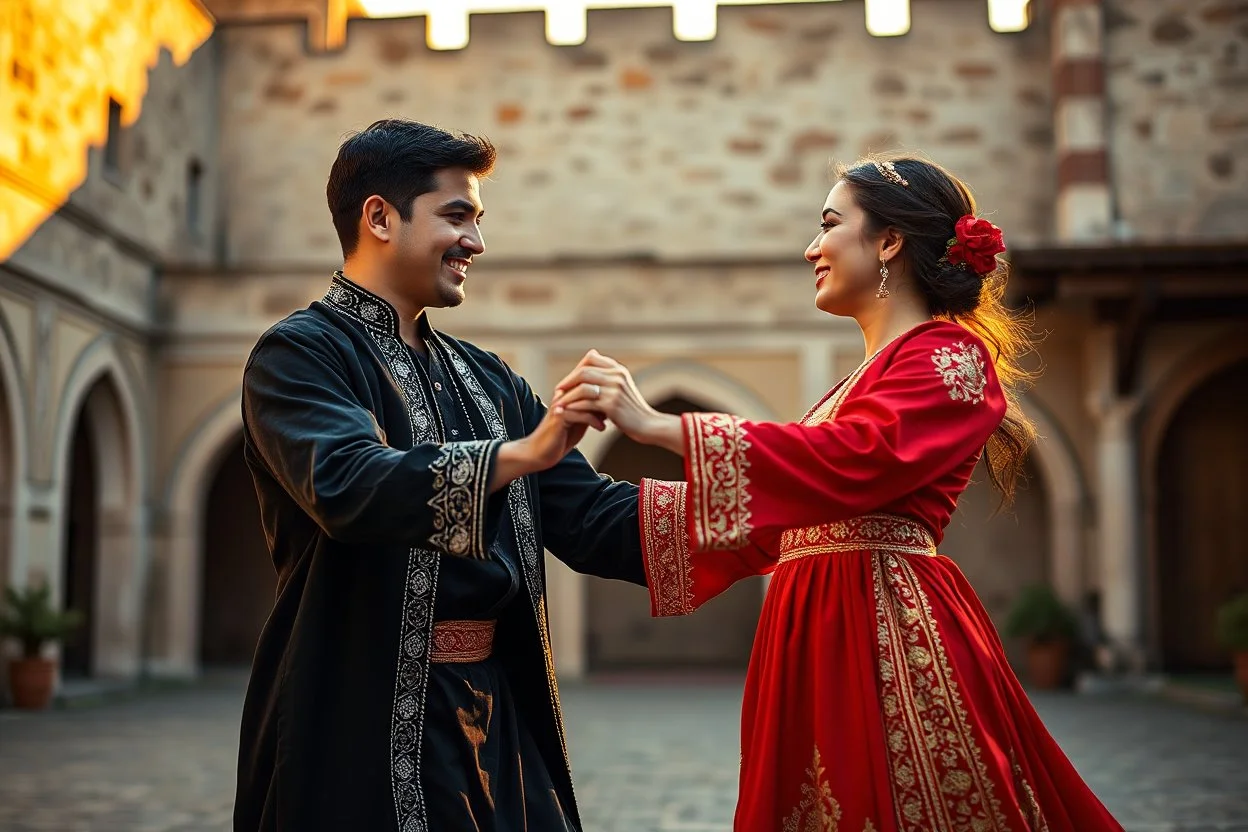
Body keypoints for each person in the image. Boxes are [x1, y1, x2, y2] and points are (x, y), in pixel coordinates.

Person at [553, 156, 1124, 831]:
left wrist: (658, 426)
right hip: (814, 625)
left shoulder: (951, 356)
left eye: (829, 224)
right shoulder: (857, 383)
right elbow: (779, 511)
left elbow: (859, 460)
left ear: (889, 242)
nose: (810, 247)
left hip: (885, 630)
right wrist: (537, 476)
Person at [233, 119, 643, 832]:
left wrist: (778, 507)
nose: (477, 243)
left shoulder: (488, 380)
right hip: (354, 726)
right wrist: (520, 453)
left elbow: (595, 520)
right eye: (457, 216)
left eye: (478, 221)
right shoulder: (298, 356)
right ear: (380, 217)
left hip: (498, 721)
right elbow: (350, 485)